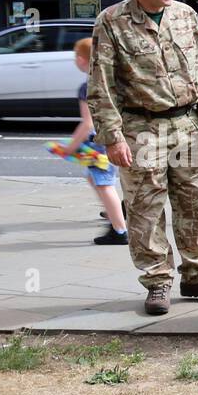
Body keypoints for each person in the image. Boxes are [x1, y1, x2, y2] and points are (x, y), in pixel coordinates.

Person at [87, 0, 198, 316]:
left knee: (194, 204)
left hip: (187, 126)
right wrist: (112, 137)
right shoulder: (112, 21)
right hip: (141, 128)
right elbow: (101, 85)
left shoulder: (186, 16)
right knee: (145, 210)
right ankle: (157, 281)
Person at [60, 37, 127, 244]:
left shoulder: (87, 85)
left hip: (101, 141)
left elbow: (88, 123)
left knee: (104, 183)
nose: (74, 60)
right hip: (116, 137)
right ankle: (113, 214)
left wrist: (70, 147)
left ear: (82, 59)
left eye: (75, 56)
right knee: (94, 178)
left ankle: (119, 230)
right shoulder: (111, 78)